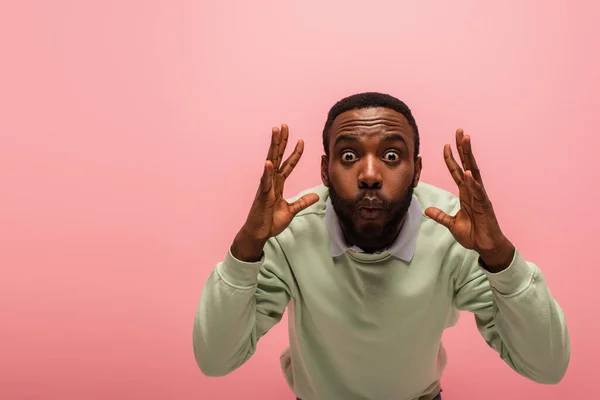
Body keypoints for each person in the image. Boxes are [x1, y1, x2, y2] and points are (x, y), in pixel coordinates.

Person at [192, 92, 570, 400]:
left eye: (391, 156)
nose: (370, 175)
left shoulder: (456, 229)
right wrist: (248, 246)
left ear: (416, 170)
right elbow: (216, 359)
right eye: (349, 156)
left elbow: (546, 366)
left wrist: (499, 257)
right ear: (325, 171)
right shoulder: (291, 229)